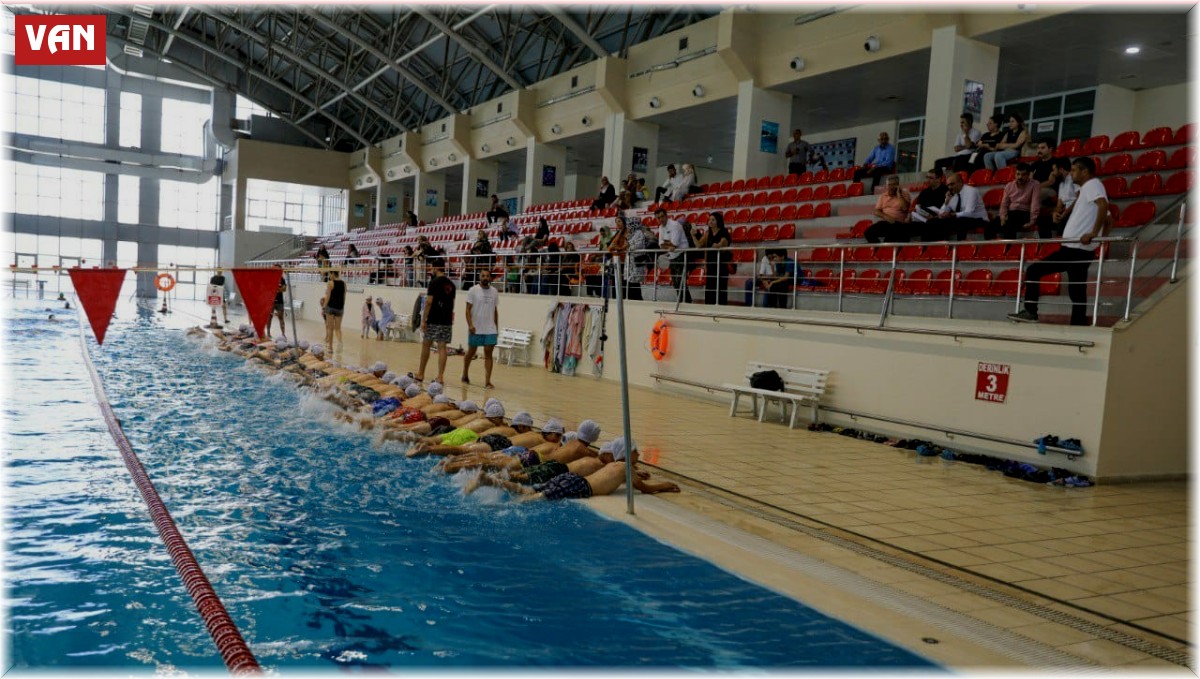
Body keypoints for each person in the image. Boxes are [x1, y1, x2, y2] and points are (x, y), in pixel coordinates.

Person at [1009, 157, 1108, 326]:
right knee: (1076, 289)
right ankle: (1078, 323)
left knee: (1034, 271)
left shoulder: (1093, 185)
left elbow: (1104, 206)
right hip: (1078, 248)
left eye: (1075, 170)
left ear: (1085, 171)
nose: (1072, 173)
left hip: (1075, 249)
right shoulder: (1087, 189)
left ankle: (1031, 312)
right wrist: (1098, 239)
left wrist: (1093, 234)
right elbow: (1108, 219)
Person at [464, 436, 679, 501]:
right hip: (579, 486)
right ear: (627, 454)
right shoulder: (625, 470)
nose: (639, 456)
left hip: (570, 478)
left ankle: (489, 480)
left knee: (528, 488)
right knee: (532, 497)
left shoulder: (616, 465)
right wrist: (665, 486)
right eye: (636, 452)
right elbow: (645, 489)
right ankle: (501, 508)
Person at [415, 257, 455, 384]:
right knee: (442, 347)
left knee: (426, 344)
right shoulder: (451, 285)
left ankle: (421, 373)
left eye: (432, 268)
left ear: (436, 268)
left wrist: (423, 319)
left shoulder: (434, 283)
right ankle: (440, 376)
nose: (431, 270)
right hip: (446, 320)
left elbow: (429, 302)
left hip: (433, 319)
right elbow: (452, 304)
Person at [462, 267, 499, 388]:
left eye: (487, 276)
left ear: (490, 278)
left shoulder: (494, 291)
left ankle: (487, 381)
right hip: (475, 328)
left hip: (490, 329)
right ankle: (465, 374)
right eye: (483, 276)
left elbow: (495, 310)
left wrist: (496, 327)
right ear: (479, 277)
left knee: (488, 354)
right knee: (471, 352)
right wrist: (470, 325)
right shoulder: (473, 290)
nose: (485, 278)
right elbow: (467, 310)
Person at [925, 171, 988, 242]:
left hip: (978, 219)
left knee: (961, 221)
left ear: (960, 182)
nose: (950, 187)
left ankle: (960, 246)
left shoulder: (971, 191)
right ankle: (934, 247)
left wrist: (952, 214)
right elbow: (941, 213)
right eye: (948, 185)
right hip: (960, 219)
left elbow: (969, 213)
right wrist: (946, 202)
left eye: (952, 184)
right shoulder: (951, 194)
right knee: (934, 222)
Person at [987, 162, 1039, 240]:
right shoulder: (1009, 185)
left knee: (1009, 225)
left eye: (1023, 174)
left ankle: (1009, 250)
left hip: (1024, 213)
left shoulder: (1035, 184)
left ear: (1028, 175)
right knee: (989, 227)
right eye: (1018, 174)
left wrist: (1032, 220)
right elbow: (1004, 204)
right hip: (1011, 213)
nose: (1020, 177)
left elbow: (1035, 204)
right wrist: (1002, 217)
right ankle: (990, 250)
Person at [608, 215, 651, 302]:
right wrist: (620, 247)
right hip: (629, 262)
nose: (628, 226)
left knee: (634, 284)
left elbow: (629, 246)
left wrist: (620, 248)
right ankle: (629, 300)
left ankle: (637, 301)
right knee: (630, 283)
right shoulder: (632, 233)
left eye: (620, 221)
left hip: (635, 261)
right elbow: (612, 247)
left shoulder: (638, 233)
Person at [655, 207, 692, 303]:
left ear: (666, 216)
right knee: (675, 282)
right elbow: (660, 245)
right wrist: (668, 244)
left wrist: (666, 244)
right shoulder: (660, 227)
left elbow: (674, 244)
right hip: (672, 256)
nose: (660, 219)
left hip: (682, 255)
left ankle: (686, 302)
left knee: (680, 281)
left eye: (662, 216)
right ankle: (683, 301)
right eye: (658, 218)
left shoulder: (675, 225)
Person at [695, 211, 732, 305]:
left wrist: (719, 244)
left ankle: (721, 309)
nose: (710, 221)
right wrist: (693, 235)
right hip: (711, 264)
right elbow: (699, 245)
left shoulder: (724, 231)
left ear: (718, 221)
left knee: (721, 288)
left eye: (713, 220)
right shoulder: (708, 233)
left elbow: (723, 242)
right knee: (710, 288)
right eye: (709, 219)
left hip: (721, 265)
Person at [863, 175, 912, 244]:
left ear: (898, 185)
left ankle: (884, 251)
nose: (891, 187)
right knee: (868, 232)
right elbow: (876, 211)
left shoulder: (905, 194)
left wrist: (899, 195)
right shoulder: (883, 196)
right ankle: (878, 249)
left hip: (898, 223)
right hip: (886, 221)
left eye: (893, 185)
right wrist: (886, 216)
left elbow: (905, 208)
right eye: (889, 185)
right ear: (886, 185)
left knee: (889, 238)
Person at [1043, 157, 1078, 239]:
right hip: (1065, 210)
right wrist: (1055, 213)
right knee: (1043, 221)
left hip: (1074, 209)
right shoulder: (1061, 184)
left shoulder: (1074, 179)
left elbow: (1079, 199)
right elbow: (1059, 204)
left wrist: (1065, 213)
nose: (1053, 173)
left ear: (1061, 169)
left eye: (1054, 170)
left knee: (1063, 223)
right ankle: (1047, 247)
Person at [321, 270, 346, 353]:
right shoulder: (344, 283)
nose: (329, 276)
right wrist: (341, 308)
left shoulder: (330, 283)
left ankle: (330, 348)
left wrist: (323, 307)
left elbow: (328, 297)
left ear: (333, 274)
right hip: (340, 308)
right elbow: (344, 297)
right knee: (338, 328)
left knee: (330, 328)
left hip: (330, 308)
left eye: (329, 274)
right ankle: (340, 342)